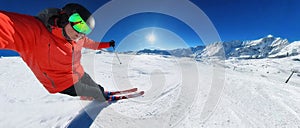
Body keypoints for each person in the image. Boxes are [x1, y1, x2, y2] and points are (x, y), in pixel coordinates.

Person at [0, 3, 115, 101]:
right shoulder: (36, 32)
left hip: (79, 73)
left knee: (96, 86)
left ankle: (96, 93)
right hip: (63, 83)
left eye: (85, 30)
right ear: (64, 18)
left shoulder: (79, 38)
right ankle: (101, 97)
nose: (80, 33)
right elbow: (7, 26)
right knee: (96, 91)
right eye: (78, 24)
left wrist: (109, 44)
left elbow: (94, 44)